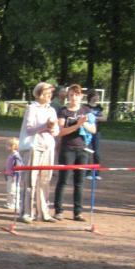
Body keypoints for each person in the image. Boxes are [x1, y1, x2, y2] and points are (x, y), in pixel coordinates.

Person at [53, 84, 95, 222]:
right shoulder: (63, 111)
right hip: (68, 149)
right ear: (68, 96)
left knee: (80, 182)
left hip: (83, 150)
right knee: (63, 180)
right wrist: (77, 125)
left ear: (81, 96)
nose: (74, 98)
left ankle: (78, 212)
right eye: (71, 95)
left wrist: (83, 124)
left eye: (76, 95)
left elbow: (93, 129)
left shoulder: (86, 110)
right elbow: (60, 131)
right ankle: (58, 210)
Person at [18, 82, 59, 223]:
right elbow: (29, 129)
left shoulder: (51, 110)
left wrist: (53, 129)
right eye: (47, 93)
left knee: (45, 180)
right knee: (30, 180)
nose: (49, 96)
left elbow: (56, 131)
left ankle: (44, 213)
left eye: (50, 93)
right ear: (40, 94)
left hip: (48, 147)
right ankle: (26, 213)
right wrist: (45, 126)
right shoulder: (32, 108)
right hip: (33, 147)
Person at [85, 89, 105, 178]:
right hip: (87, 132)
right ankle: (87, 172)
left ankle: (97, 172)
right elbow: (84, 117)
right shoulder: (85, 107)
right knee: (87, 151)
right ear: (91, 97)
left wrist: (95, 118)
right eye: (96, 95)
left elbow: (104, 118)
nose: (97, 97)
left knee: (96, 152)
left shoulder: (99, 107)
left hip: (97, 132)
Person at [2, 137, 23, 211]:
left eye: (7, 145)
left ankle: (14, 204)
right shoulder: (11, 155)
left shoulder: (16, 156)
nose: (5, 146)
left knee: (13, 190)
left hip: (13, 177)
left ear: (12, 146)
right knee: (9, 190)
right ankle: (9, 203)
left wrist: (15, 176)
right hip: (9, 176)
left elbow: (18, 167)